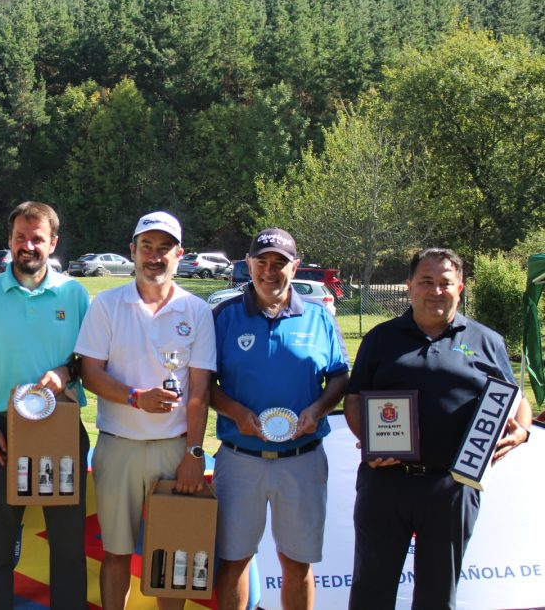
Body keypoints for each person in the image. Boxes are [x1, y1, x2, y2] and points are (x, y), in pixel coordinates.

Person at [344, 248, 533, 610]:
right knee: (371, 589)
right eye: (426, 281)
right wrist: (369, 441)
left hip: (453, 486)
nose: (436, 290)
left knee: (437, 594)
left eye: (445, 283)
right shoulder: (381, 338)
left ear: (460, 288)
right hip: (386, 482)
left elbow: (517, 399)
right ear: (409, 286)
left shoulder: (486, 340)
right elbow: (354, 399)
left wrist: (522, 431)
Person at [75, 211, 215, 610]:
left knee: (172, 556)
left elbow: (200, 390)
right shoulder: (106, 305)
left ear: (180, 254)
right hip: (119, 446)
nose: (155, 257)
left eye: (164, 249)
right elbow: (90, 374)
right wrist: (136, 397)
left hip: (174, 449)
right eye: (147, 247)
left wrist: (193, 452)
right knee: (116, 554)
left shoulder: (197, 310)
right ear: (132, 251)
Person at [209, 228, 349, 610]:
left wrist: (317, 410)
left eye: (280, 263)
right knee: (234, 559)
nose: (270, 271)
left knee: (296, 562)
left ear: (296, 266)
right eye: (262, 262)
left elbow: (339, 375)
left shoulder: (318, 317)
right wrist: (236, 413)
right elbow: (203, 383)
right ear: (249, 264)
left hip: (301, 460)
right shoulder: (223, 317)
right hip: (239, 459)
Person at [0, 201, 92, 610]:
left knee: (69, 549)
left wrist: (66, 372)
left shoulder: (75, 295)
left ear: (52, 243)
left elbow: (90, 365)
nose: (28, 246)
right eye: (20, 237)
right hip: (1, 430)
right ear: (9, 240)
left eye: (37, 239)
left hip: (62, 425)